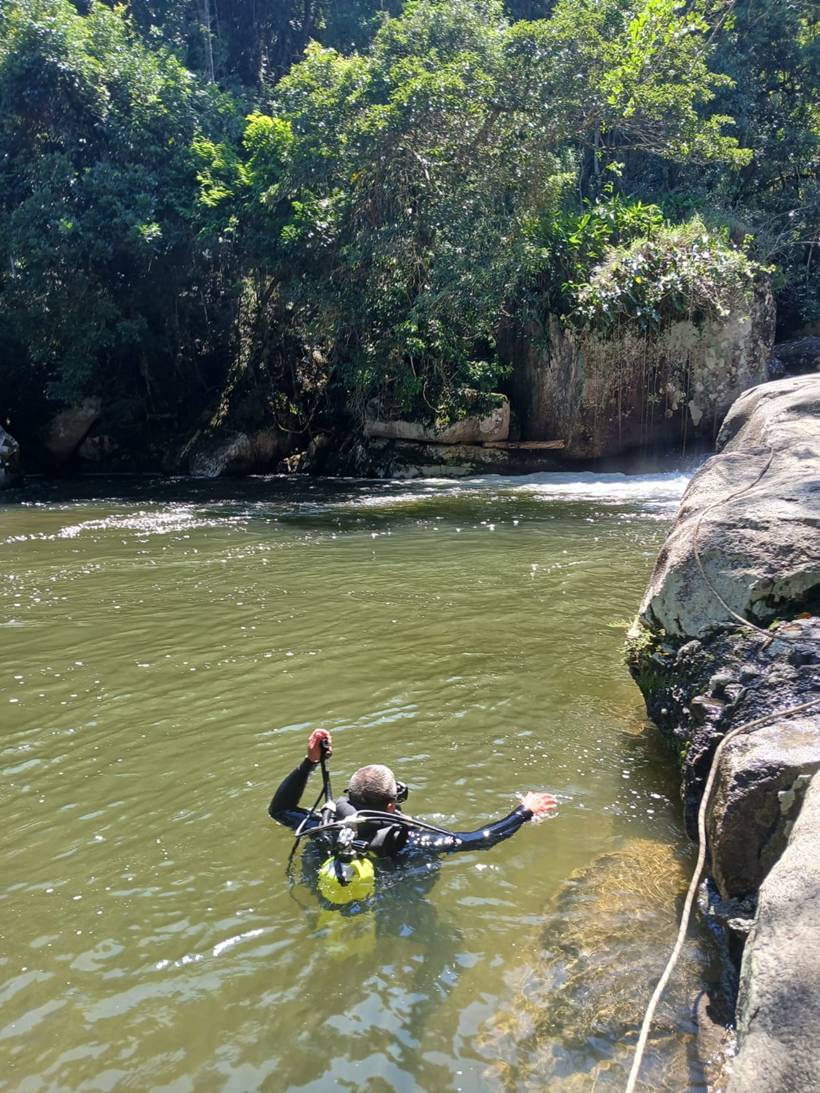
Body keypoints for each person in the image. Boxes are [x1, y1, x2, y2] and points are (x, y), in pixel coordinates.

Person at [269, 728, 557, 861]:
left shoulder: (326, 824)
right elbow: (477, 840)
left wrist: (310, 762)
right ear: (392, 804)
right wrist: (524, 811)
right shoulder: (408, 839)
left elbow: (279, 809)